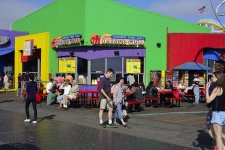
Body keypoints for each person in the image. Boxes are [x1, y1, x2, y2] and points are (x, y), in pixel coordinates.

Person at [206, 72, 225, 150]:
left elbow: (208, 100)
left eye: (213, 77)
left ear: (217, 78)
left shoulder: (217, 88)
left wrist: (206, 89)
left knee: (218, 136)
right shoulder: (223, 87)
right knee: (219, 134)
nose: (211, 78)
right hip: (223, 112)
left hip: (217, 113)